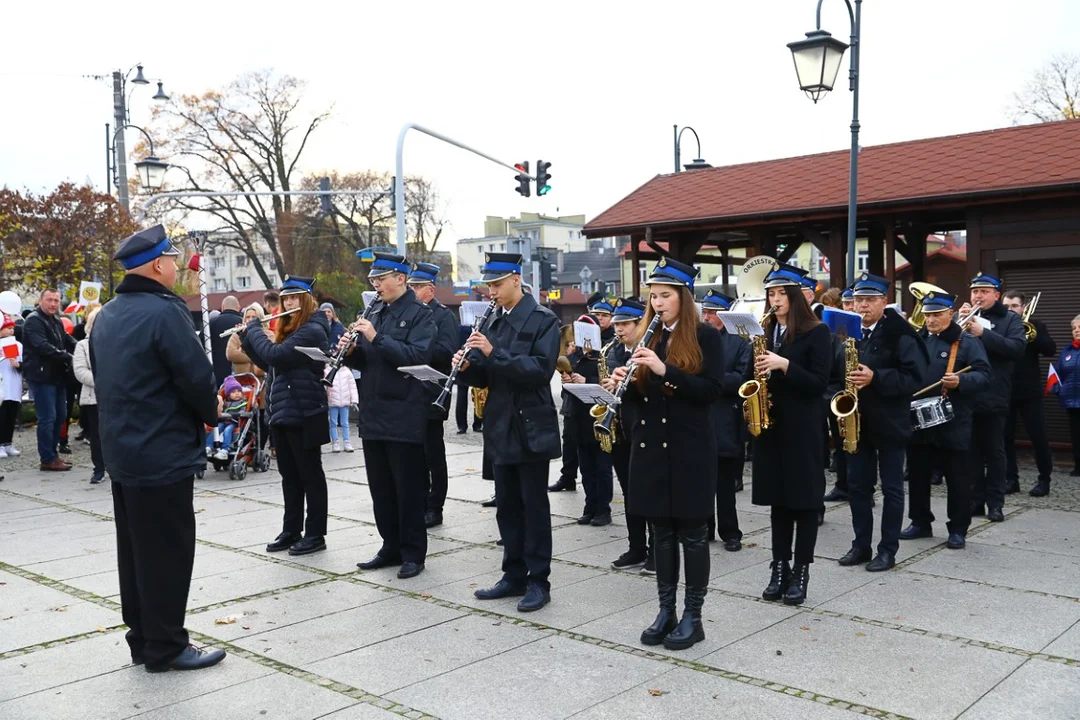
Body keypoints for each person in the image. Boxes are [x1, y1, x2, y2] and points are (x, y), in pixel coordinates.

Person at [91, 224, 225, 672]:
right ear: (156, 265)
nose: (175, 266)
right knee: (167, 550)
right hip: (162, 451)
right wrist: (213, 407)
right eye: (171, 259)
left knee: (134, 550)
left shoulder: (107, 314)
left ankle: (143, 639)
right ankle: (167, 646)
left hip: (124, 452)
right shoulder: (164, 312)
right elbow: (194, 377)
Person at [615, 257, 724, 650]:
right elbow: (645, 396)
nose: (658, 303)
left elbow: (711, 391)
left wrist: (665, 372)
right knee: (660, 532)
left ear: (684, 297)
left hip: (690, 448)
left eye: (665, 296)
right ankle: (666, 610)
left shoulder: (707, 337)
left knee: (692, 535)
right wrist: (624, 385)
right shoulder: (651, 334)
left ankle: (693, 616)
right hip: (651, 450)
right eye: (654, 296)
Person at [456, 252, 561, 612]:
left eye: (497, 284)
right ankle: (512, 574)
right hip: (500, 425)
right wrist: (468, 366)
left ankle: (538, 580)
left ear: (517, 280)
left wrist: (493, 351)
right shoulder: (493, 322)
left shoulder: (543, 319)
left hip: (530, 425)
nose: (492, 292)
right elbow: (486, 375)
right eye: (489, 285)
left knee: (534, 507)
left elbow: (539, 370)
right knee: (507, 507)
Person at [340, 253, 435, 579]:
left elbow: (416, 356)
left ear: (401, 278)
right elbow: (369, 361)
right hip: (374, 411)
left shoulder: (420, 315)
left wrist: (375, 337)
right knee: (380, 488)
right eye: (373, 280)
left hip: (403, 411)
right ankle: (390, 545)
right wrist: (350, 353)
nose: (376, 285)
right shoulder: (376, 311)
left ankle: (413, 552)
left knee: (407, 488)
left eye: (381, 279)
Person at [748, 267, 832, 605]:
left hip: (803, 429)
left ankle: (801, 570)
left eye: (782, 294)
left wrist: (784, 365)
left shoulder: (818, 332)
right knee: (778, 502)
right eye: (771, 294)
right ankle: (778, 567)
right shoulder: (764, 331)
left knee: (804, 503)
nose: (775, 300)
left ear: (795, 297)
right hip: (771, 428)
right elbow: (748, 375)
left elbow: (819, 383)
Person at [839, 273, 928, 572]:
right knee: (857, 486)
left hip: (890, 421)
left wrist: (877, 377)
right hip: (857, 422)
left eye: (869, 300)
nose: (862, 306)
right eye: (858, 300)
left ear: (884, 301)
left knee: (891, 489)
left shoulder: (900, 333)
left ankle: (887, 550)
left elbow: (915, 377)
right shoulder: (847, 332)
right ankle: (860, 545)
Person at [243, 275, 331, 557]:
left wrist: (255, 328)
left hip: (305, 411)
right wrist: (247, 338)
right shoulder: (290, 331)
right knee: (289, 476)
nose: (289, 303)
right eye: (285, 299)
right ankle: (291, 529)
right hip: (283, 411)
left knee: (310, 475)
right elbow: (269, 363)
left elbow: (277, 355)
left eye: (294, 298)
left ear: (305, 300)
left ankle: (316, 533)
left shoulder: (314, 328)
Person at [903, 292, 991, 549]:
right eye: (928, 314)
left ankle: (958, 528)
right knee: (918, 475)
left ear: (950, 314)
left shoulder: (966, 341)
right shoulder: (917, 339)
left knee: (957, 478)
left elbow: (985, 375)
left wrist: (961, 381)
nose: (931, 320)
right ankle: (920, 522)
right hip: (918, 418)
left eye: (937, 314)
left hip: (953, 420)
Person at [959, 272, 1026, 522]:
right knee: (971, 452)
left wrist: (983, 334)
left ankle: (995, 503)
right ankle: (975, 501)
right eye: (975, 291)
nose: (978, 295)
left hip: (995, 394)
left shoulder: (1010, 319)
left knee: (995, 452)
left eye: (984, 291)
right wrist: (958, 322)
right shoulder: (966, 317)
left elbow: (1017, 348)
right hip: (968, 393)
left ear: (996, 295)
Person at [601, 298, 653, 569]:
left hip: (643, 429)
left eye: (624, 324)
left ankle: (656, 550)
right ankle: (636, 547)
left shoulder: (650, 349)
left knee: (649, 493)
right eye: (616, 324)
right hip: (619, 430)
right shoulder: (613, 352)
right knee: (629, 492)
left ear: (639, 324)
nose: (618, 329)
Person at [406, 262, 459, 529]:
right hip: (409, 392)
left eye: (417, 287)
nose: (413, 291)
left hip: (432, 390)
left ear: (431, 289)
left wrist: (416, 349)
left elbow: (447, 352)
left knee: (432, 453)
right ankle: (420, 500)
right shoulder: (409, 313)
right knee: (414, 453)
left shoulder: (444, 316)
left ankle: (435, 506)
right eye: (411, 286)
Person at [700, 290, 751, 552]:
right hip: (701, 416)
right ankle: (705, 528)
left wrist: (712, 381)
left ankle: (731, 532)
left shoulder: (740, 341)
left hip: (727, 419)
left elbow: (742, 378)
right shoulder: (698, 337)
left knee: (726, 485)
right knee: (702, 481)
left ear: (724, 315)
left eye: (711, 313)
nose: (706, 317)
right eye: (705, 312)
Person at [1002, 290, 1056, 497]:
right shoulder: (1000, 325)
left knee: (1038, 437)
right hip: (1006, 391)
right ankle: (1011, 479)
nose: (1010, 310)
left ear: (1023, 307)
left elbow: (1050, 349)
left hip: (1030, 392)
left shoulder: (1036, 325)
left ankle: (1044, 480)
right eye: (1006, 306)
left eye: (1014, 306)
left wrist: (1030, 336)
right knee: (1005, 438)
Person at [22, 288, 76, 471]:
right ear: (40, 300)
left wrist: (83, 348)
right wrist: (68, 356)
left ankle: (53, 455)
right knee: (48, 417)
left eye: (56, 300)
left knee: (60, 415)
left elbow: (66, 339)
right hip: (41, 375)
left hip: (57, 376)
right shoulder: (34, 321)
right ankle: (47, 458)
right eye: (49, 300)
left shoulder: (56, 320)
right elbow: (42, 346)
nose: (53, 304)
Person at [72, 307, 106, 483]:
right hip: (93, 396)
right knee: (97, 434)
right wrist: (103, 381)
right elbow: (80, 371)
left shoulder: (114, 343)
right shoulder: (82, 345)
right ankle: (99, 468)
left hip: (114, 396)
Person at [1054, 315, 1080, 477]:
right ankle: (1078, 466)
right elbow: (1058, 373)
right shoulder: (1067, 351)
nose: (1077, 331)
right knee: (1076, 435)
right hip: (1072, 401)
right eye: (1074, 328)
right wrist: (1058, 390)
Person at [205, 376, 249, 460]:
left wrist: (234, 414)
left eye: (239, 391)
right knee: (216, 429)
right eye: (233, 392)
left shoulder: (243, 402)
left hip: (235, 422)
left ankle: (225, 450)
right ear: (228, 395)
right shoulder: (226, 403)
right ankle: (209, 447)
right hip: (224, 421)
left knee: (227, 430)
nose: (237, 393)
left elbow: (242, 412)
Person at [0, 315, 23, 459]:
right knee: (1, 416)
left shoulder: (18, 345)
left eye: (12, 328)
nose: (11, 331)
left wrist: (18, 365)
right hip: (2, 385)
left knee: (11, 415)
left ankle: (8, 442)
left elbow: (24, 363)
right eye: (8, 328)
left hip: (14, 385)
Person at [325, 358, 358, 453]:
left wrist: (354, 400)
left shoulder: (347, 371)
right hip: (332, 401)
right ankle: (335, 442)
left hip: (345, 401)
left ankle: (347, 441)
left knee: (345, 423)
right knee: (333, 423)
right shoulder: (327, 371)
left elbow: (352, 386)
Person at [210, 296, 243, 384]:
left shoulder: (212, 323)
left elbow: (201, 343)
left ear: (222, 307)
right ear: (239, 308)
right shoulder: (243, 323)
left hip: (217, 370)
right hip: (240, 370)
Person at [227, 303, 266, 376]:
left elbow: (267, 354)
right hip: (241, 380)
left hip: (261, 380)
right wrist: (255, 357)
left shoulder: (267, 334)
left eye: (254, 317)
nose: (250, 320)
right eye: (248, 317)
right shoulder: (236, 335)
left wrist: (243, 354)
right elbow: (230, 354)